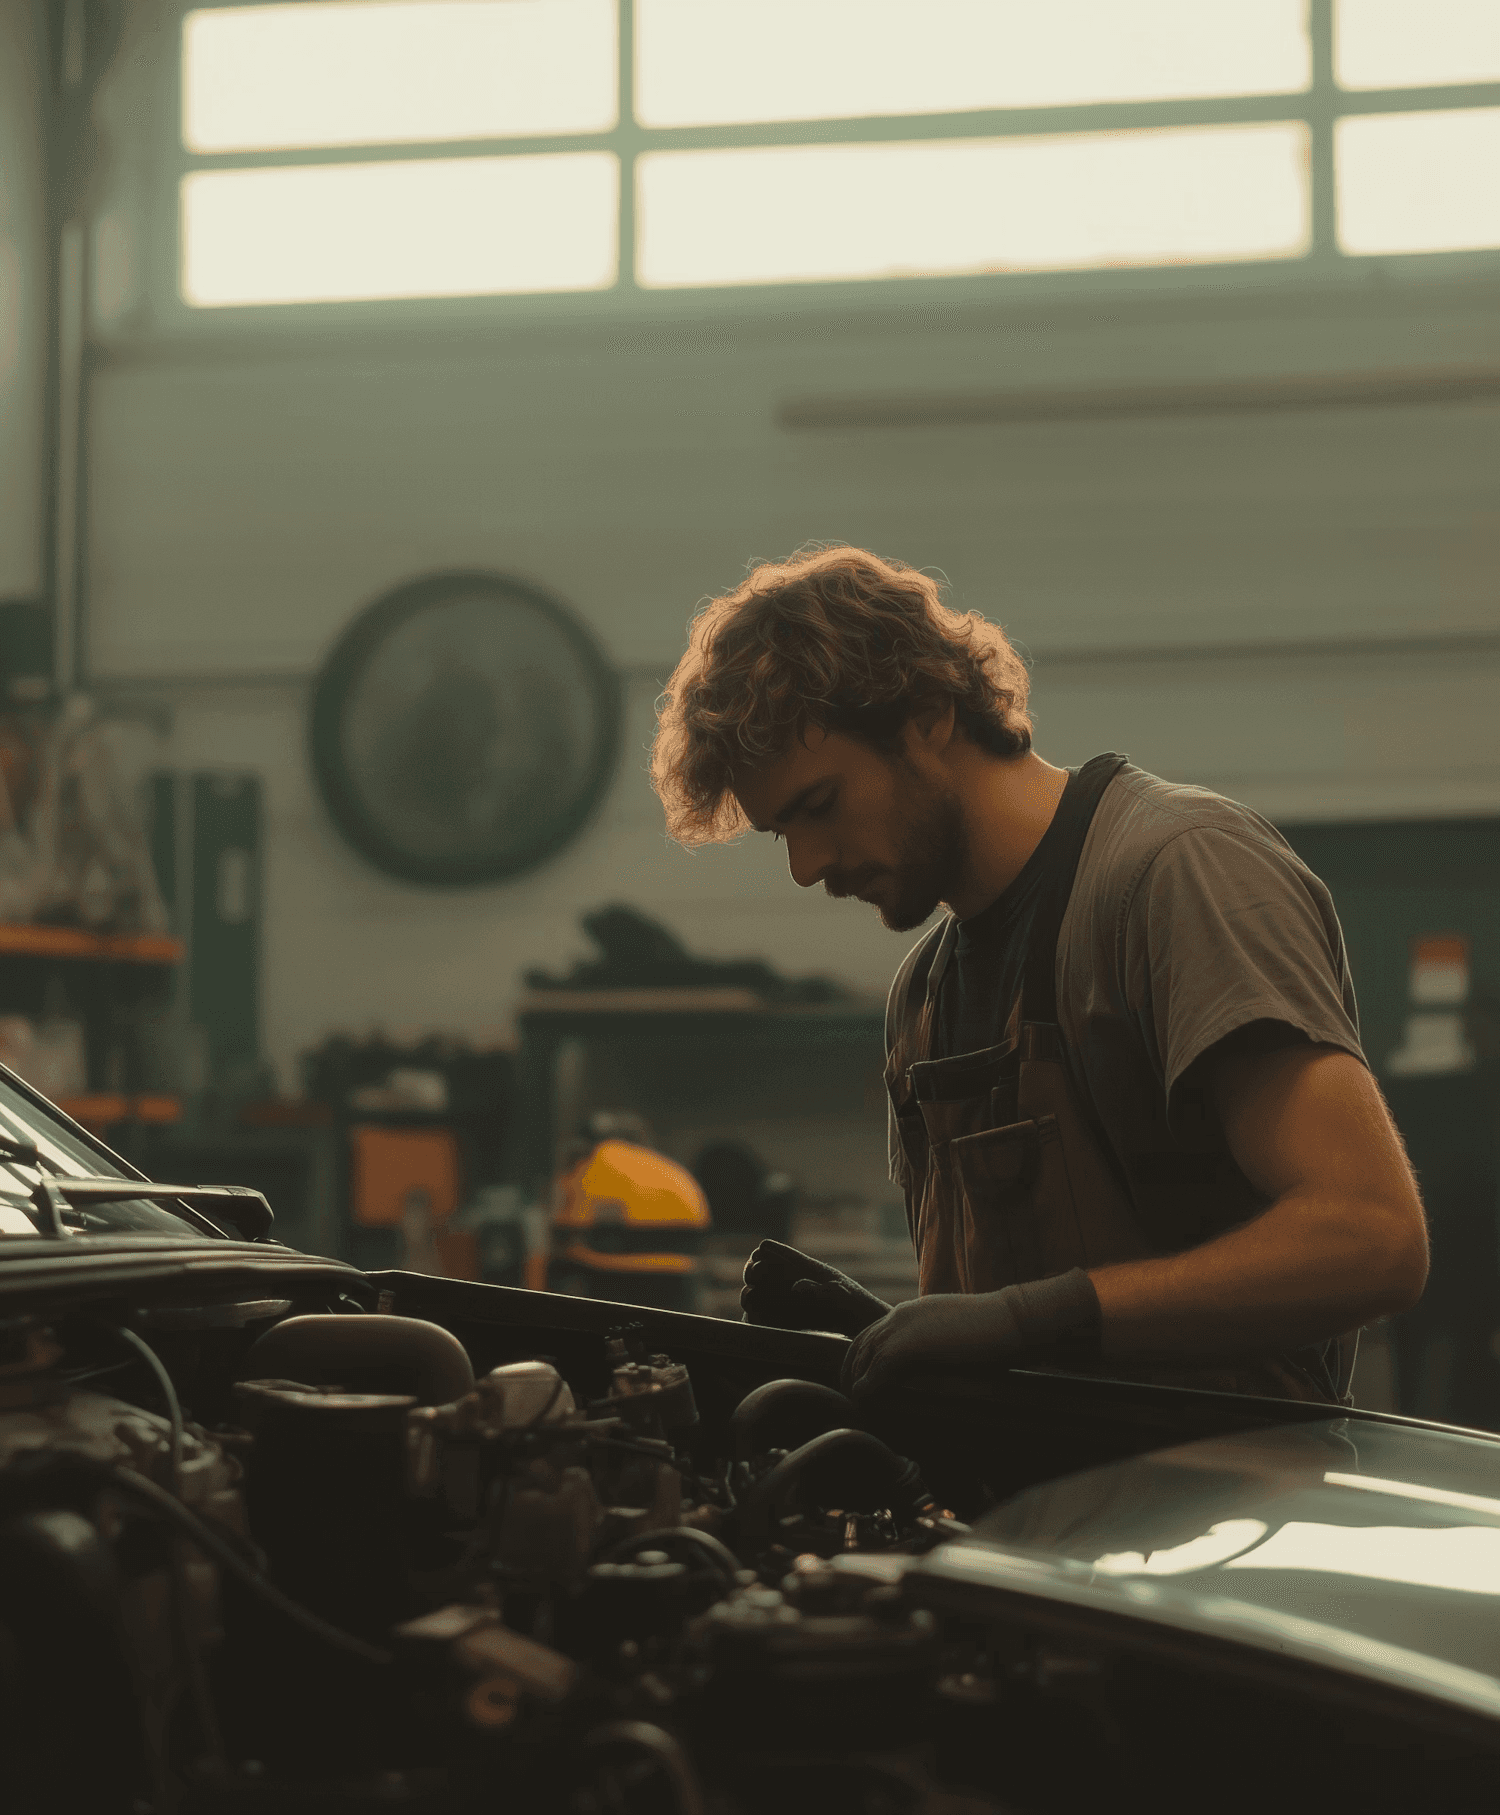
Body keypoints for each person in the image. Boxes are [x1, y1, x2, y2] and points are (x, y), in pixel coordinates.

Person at [650, 545, 1428, 1402]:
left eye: (820, 804)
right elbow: (1021, 1347)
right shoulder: (923, 1001)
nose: (805, 867)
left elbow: (1374, 1238)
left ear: (926, 716)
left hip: (1239, 1485)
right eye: (781, 834)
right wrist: (897, 1335)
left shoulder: (1176, 874)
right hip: (1034, 1492)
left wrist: (1029, 1320)